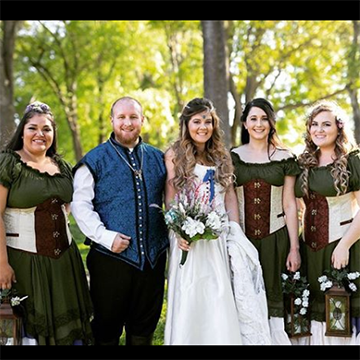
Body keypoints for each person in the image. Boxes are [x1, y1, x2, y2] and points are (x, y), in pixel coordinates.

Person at [164, 97, 271, 345]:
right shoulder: (174, 155)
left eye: (208, 121)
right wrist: (179, 230)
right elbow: (170, 198)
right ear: (186, 124)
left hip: (218, 233)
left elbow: (230, 195)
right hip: (188, 236)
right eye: (197, 121)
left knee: (220, 293)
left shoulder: (222, 155)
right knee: (192, 294)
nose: (203, 126)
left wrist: (234, 229)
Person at [71, 96, 168, 346]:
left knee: (143, 329)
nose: (128, 122)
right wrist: (106, 237)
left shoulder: (159, 158)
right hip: (110, 260)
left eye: (133, 117)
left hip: (153, 260)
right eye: (122, 117)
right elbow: (80, 206)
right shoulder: (94, 160)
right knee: (106, 330)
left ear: (142, 121)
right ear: (112, 120)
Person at [0, 101, 93, 345]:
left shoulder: (62, 166)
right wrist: (2, 263)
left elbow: (67, 202)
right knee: (29, 329)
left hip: (65, 262)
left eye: (46, 129)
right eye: (33, 128)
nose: (40, 134)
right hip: (25, 261)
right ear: (22, 131)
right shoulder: (8, 163)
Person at [231, 98, 301, 344]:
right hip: (242, 240)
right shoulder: (232, 157)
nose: (259, 124)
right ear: (245, 123)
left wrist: (294, 248)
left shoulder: (285, 157)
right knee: (244, 297)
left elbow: (290, 204)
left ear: (271, 123)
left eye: (264, 118)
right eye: (253, 118)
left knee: (274, 298)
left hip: (276, 238)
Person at [295, 100, 360, 345]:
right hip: (309, 251)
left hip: (342, 249)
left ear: (339, 128)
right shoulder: (303, 163)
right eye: (314, 124)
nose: (319, 130)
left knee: (339, 310)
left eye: (326, 124)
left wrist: (344, 245)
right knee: (314, 311)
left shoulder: (352, 161)